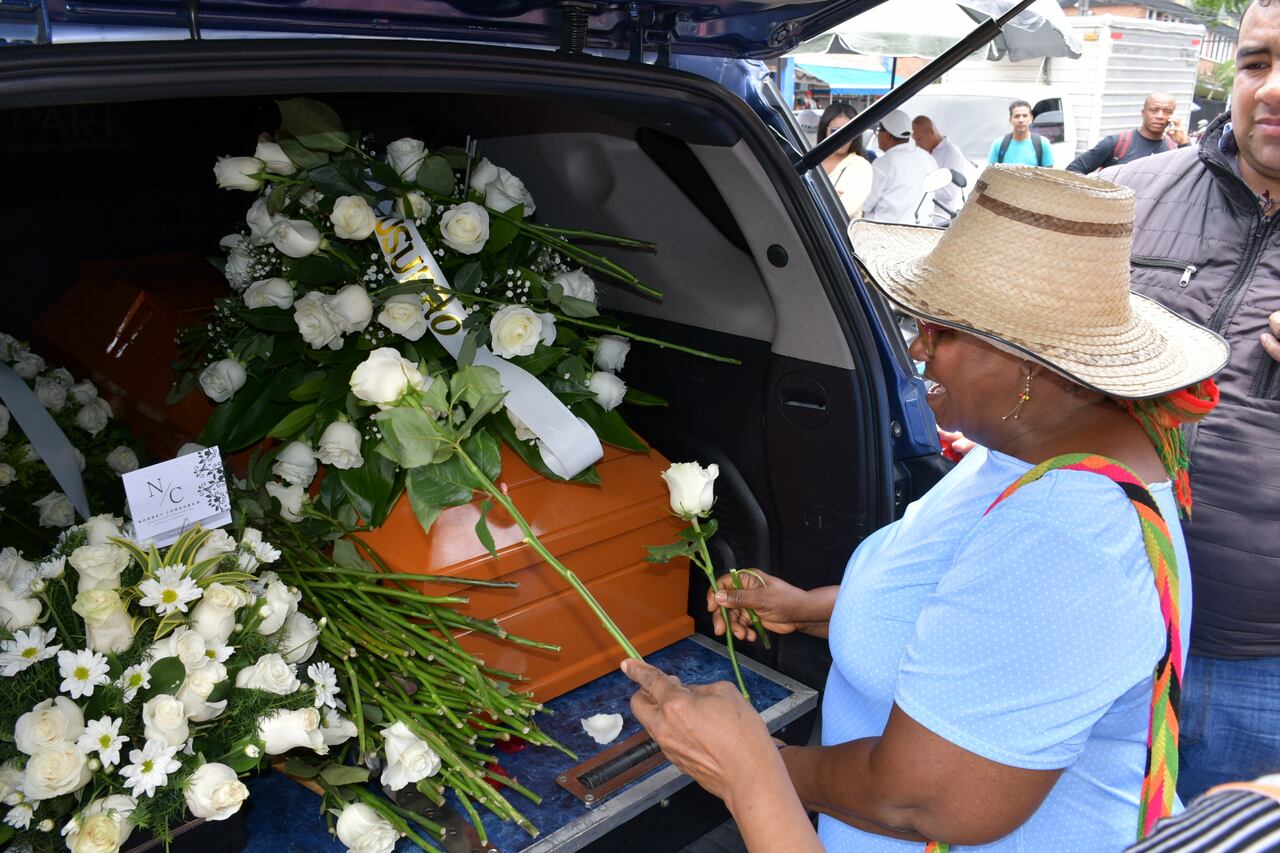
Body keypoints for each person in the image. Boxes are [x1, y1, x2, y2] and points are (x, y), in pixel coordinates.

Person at [623, 165, 1227, 852]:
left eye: (940, 331)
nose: (916, 347)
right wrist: (813, 606)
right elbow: (964, 606)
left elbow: (917, 802)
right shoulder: (1034, 447)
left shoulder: (1069, 535)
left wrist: (752, 764)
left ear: (1032, 366)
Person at [1099, 0, 1280, 805]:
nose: (1272, 89)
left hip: (1260, 672)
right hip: (1095, 630)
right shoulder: (1122, 197)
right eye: (1256, 62)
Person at [1066, 92, 1191, 174]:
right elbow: (1073, 170)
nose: (1160, 116)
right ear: (1143, 112)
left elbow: (1192, 180)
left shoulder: (1174, 150)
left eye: (1167, 111)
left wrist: (1184, 144)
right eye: (1154, 110)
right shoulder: (1116, 143)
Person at [863, 109, 939, 225]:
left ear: (887, 135)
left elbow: (866, 204)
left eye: (878, 131)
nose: (877, 136)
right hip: (920, 230)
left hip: (884, 233)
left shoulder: (884, 163)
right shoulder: (927, 158)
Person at [818, 102, 874, 219]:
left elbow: (844, 210)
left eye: (848, 131)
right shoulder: (810, 161)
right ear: (825, 131)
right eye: (835, 131)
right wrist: (829, 197)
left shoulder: (861, 167)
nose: (842, 138)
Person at [912, 115, 966, 220]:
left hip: (939, 219)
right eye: (915, 140)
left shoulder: (951, 153)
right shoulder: (926, 152)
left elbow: (949, 193)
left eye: (919, 139)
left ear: (931, 132)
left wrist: (919, 187)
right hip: (921, 216)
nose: (917, 144)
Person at [987, 100, 1053, 167]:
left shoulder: (1043, 144)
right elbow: (990, 173)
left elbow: (1049, 175)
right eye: (1017, 116)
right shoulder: (998, 144)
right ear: (1010, 120)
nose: (1021, 120)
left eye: (1025, 116)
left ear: (1031, 119)